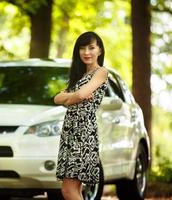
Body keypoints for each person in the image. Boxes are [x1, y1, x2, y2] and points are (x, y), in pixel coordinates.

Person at [54, 31, 108, 200]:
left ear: (99, 50)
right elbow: (57, 98)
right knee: (74, 190)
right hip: (70, 132)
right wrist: (73, 96)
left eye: (91, 47)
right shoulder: (79, 76)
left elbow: (78, 95)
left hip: (83, 132)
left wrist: (70, 97)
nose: (86, 52)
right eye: (82, 48)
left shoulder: (101, 72)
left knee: (68, 191)